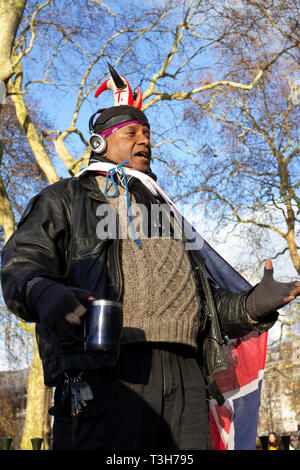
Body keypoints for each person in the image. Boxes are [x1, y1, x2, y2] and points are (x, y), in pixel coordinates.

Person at [1, 65, 300, 451]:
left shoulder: (169, 215)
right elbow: (20, 264)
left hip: (188, 376)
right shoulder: (65, 198)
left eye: (147, 134)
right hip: (108, 371)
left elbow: (204, 305)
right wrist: (42, 291)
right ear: (99, 144)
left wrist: (252, 304)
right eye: (132, 133)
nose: (144, 140)